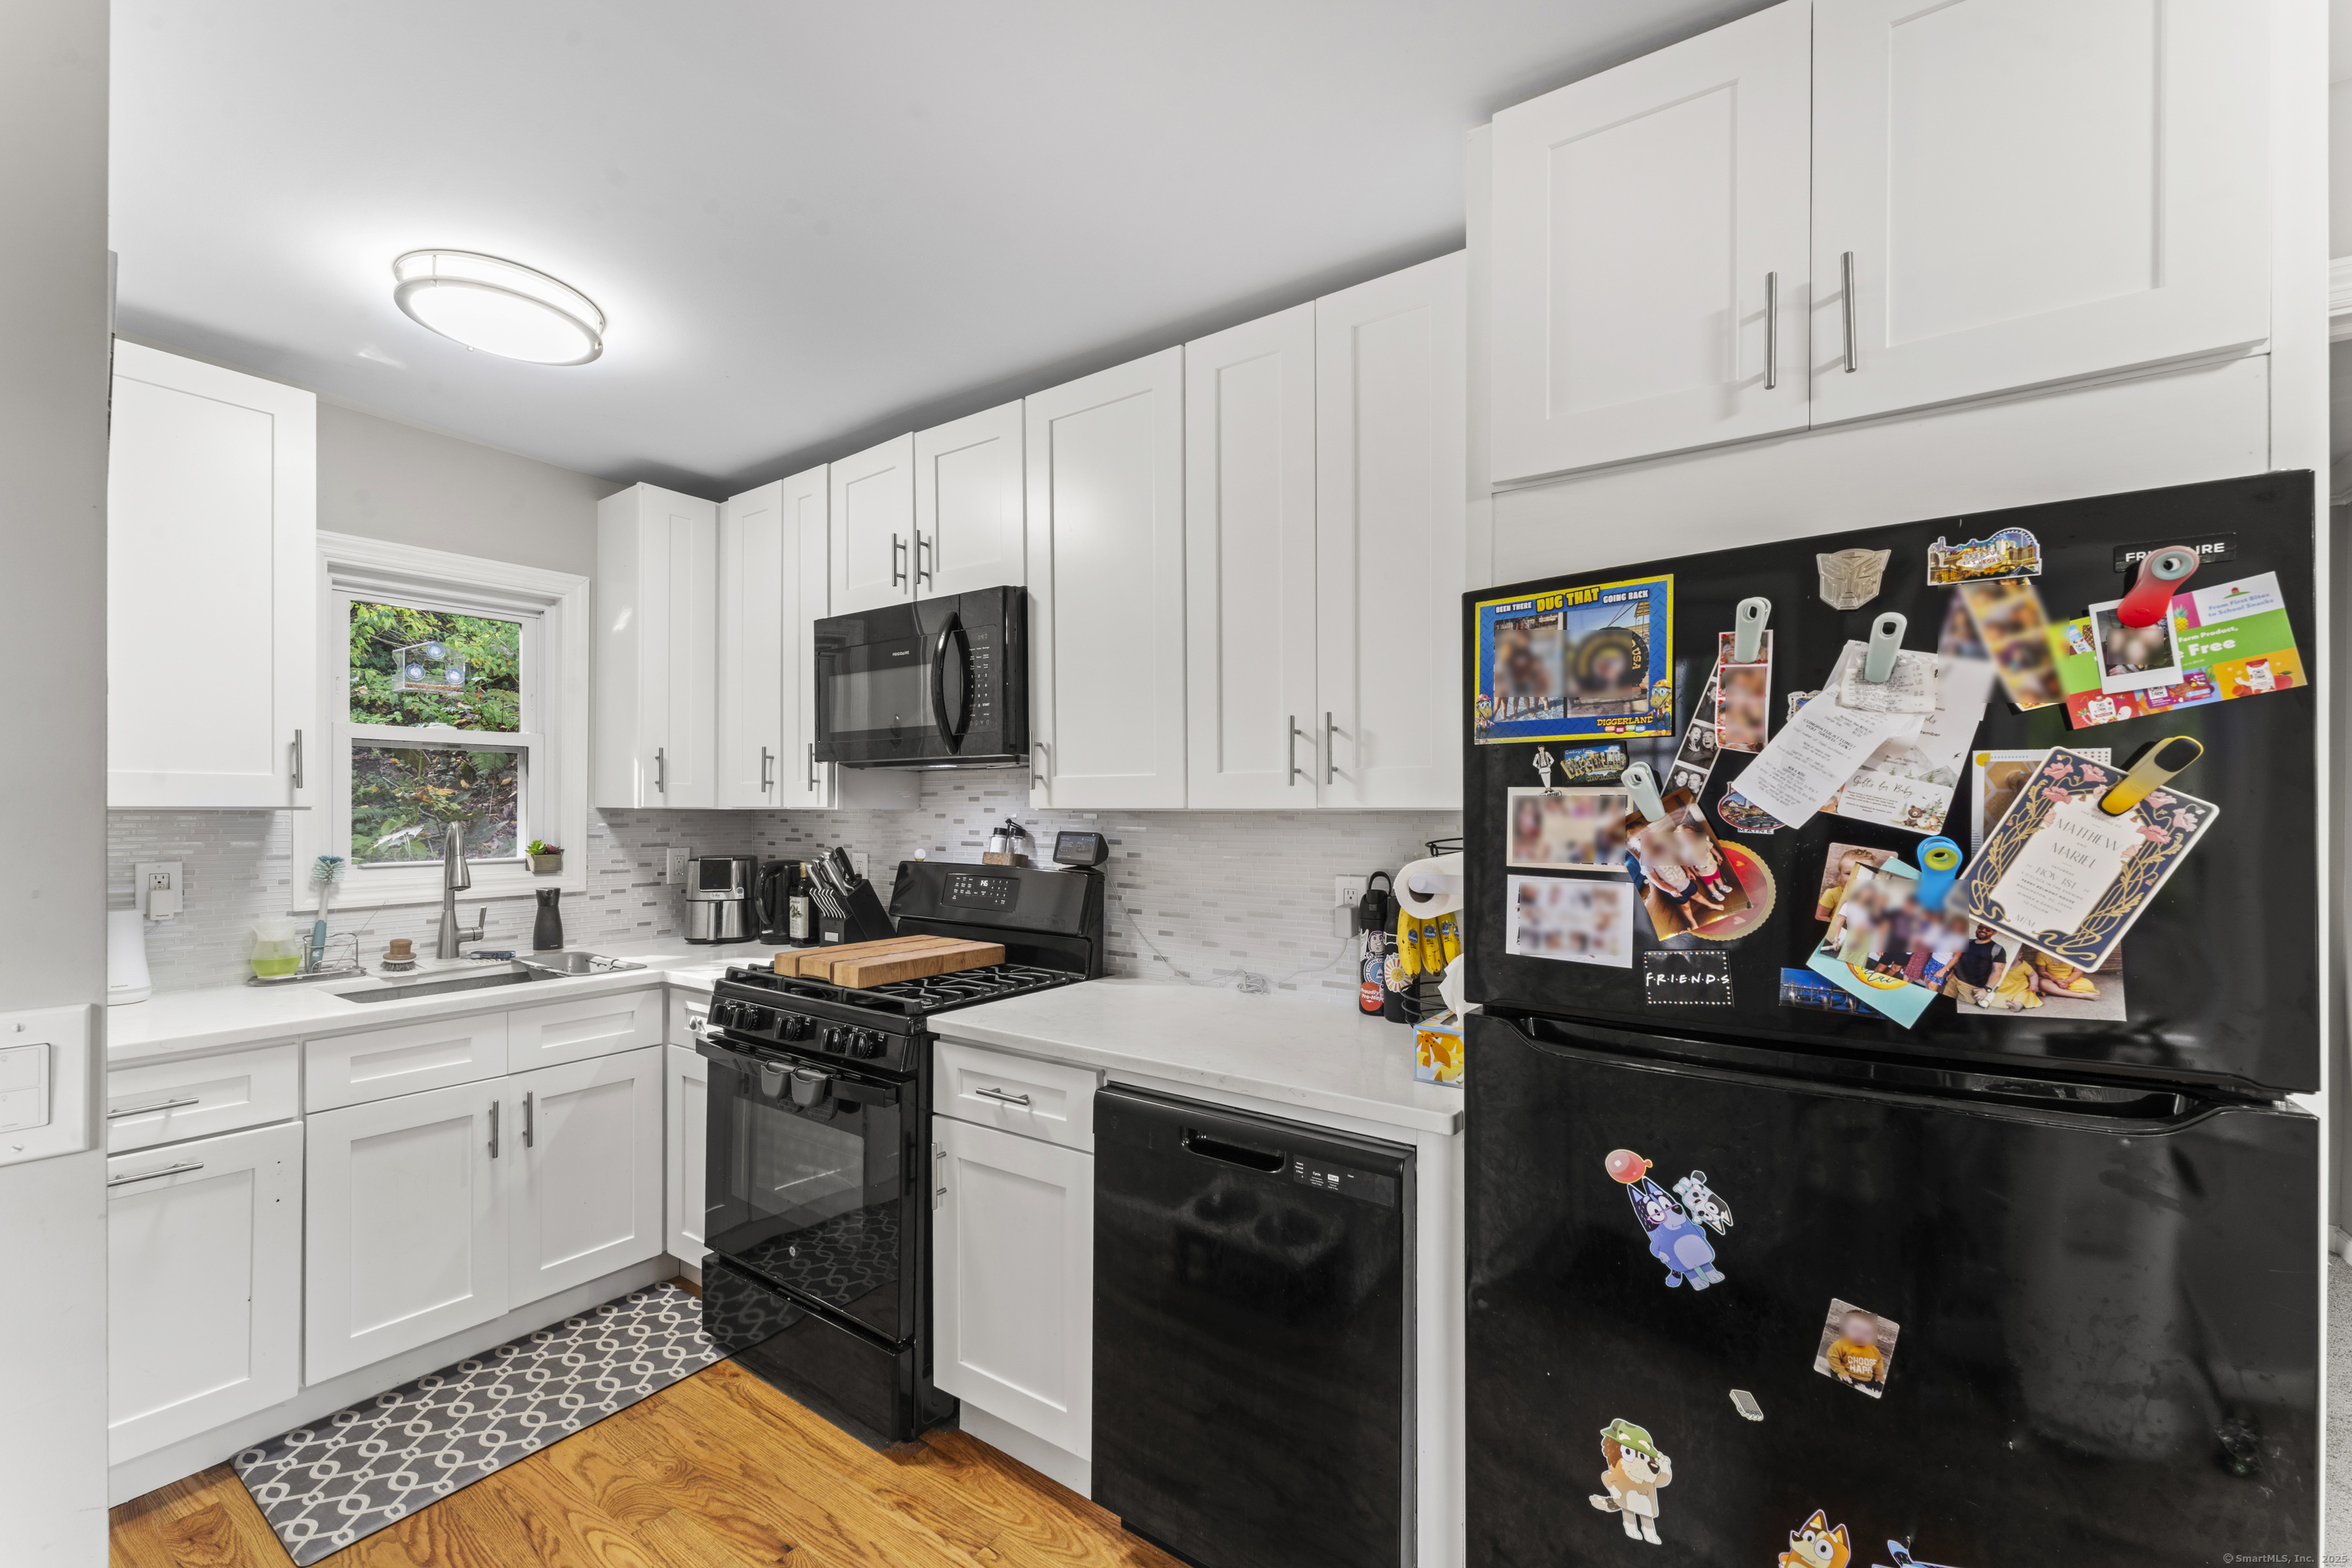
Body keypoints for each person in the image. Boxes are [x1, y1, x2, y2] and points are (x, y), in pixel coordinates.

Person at [1822, 1308, 1887, 1392]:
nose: (1860, 1335)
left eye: (1867, 1333)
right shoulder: (1841, 1344)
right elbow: (1831, 1356)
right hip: (1846, 1373)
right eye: (1855, 1329)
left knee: (1880, 1388)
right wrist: (1841, 1371)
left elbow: (1878, 1363)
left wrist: (1879, 1376)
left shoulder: (1874, 1350)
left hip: (1867, 1378)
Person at [1676, 825, 1737, 904]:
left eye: (1689, 833)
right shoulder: (1685, 851)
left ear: (1694, 832)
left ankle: (1722, 886)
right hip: (1702, 872)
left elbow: (1711, 848)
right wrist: (1694, 871)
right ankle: (1715, 893)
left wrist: (1718, 855)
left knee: (1717, 877)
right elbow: (1689, 863)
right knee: (1709, 883)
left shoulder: (1702, 841)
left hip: (1713, 865)